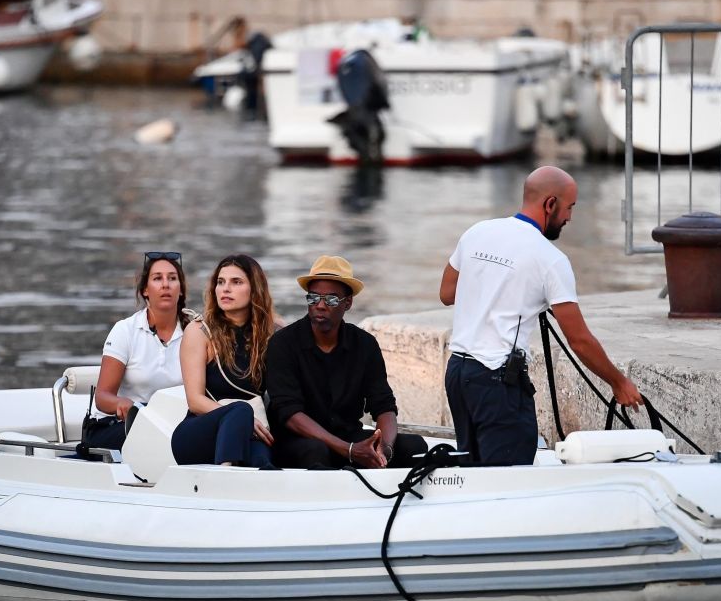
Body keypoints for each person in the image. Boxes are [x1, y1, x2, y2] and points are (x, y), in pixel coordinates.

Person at [438, 166, 644, 467]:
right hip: (497, 381)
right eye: (569, 207)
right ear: (550, 204)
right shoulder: (550, 260)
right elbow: (580, 341)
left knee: (472, 477)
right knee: (510, 480)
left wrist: (503, 289)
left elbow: (447, 293)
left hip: (458, 373)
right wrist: (619, 382)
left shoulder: (477, 232)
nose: (570, 218)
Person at [264, 256, 427, 470]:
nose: (320, 306)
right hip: (298, 442)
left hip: (349, 437)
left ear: (347, 303)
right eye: (313, 298)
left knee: (415, 446)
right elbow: (289, 414)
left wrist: (383, 449)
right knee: (316, 451)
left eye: (331, 300)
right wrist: (349, 449)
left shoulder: (365, 344)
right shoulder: (283, 343)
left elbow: (384, 405)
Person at [171, 254, 277, 467]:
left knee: (262, 462)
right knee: (241, 410)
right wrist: (244, 420)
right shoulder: (199, 331)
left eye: (236, 282)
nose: (225, 289)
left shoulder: (271, 334)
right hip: (198, 433)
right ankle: (224, 475)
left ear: (255, 289)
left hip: (250, 430)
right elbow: (195, 400)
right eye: (220, 282)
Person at [82, 252, 190, 452]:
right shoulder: (126, 330)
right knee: (160, 441)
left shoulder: (195, 332)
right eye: (157, 278)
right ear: (145, 290)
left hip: (175, 424)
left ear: (181, 290)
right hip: (123, 425)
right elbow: (103, 396)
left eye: (172, 278)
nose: (165, 284)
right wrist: (123, 404)